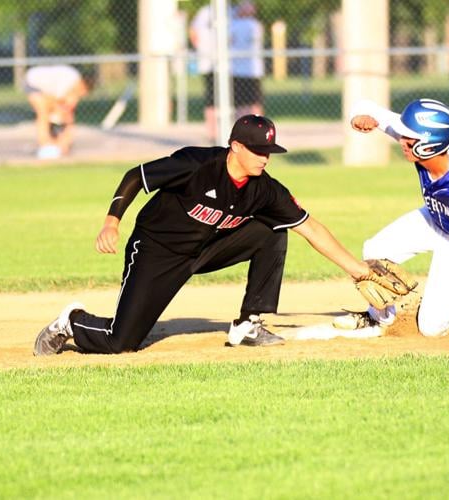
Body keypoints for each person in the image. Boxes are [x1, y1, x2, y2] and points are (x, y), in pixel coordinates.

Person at [33, 115, 371, 356]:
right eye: (257, 151)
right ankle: (71, 322)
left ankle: (248, 324)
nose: (265, 158)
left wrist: (359, 270)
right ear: (235, 146)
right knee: (121, 342)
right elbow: (136, 176)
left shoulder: (265, 190)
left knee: (273, 230)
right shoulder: (196, 165)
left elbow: (310, 227)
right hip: (156, 250)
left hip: (207, 249)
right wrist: (112, 222)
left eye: (268, 152)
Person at [340, 97, 449, 336]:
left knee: (431, 327)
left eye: (408, 137)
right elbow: (364, 107)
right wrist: (359, 118)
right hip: (439, 218)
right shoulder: (424, 143)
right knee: (374, 250)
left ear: (429, 145)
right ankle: (380, 319)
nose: (401, 140)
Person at [24, 64, 90, 159]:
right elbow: (58, 102)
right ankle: (46, 144)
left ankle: (61, 143)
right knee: (44, 113)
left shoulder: (73, 81)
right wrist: (62, 113)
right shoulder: (68, 81)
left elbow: (65, 104)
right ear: (82, 84)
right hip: (33, 83)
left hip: (46, 88)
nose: (80, 95)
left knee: (61, 115)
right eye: (81, 93)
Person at [229, 0, 264, 117]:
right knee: (253, 103)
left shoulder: (234, 24)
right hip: (248, 70)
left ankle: (244, 126)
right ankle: (256, 127)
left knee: (244, 104)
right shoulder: (256, 25)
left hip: (241, 70)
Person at [189, 5, 218, 142]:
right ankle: (212, 133)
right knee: (211, 99)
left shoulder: (230, 11)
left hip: (228, 65)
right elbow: (193, 30)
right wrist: (200, 48)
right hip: (208, 63)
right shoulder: (205, 12)